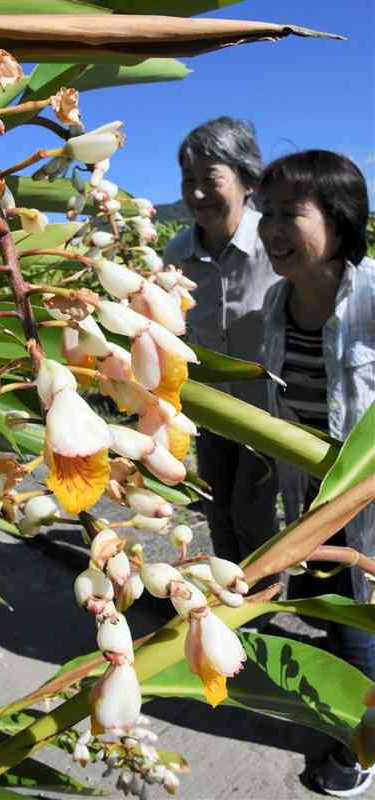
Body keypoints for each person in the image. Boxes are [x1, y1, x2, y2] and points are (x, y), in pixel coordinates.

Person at [259, 149, 375, 797]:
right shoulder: (278, 301)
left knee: (361, 629)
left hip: (368, 512)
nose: (272, 228)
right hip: (309, 507)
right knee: (337, 619)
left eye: (290, 214)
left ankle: (360, 748)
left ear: (339, 218)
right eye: (265, 212)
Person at [164, 116, 280, 573]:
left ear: (247, 179)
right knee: (217, 509)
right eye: (187, 180)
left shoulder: (276, 241)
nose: (196, 194)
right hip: (209, 409)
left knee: (254, 514)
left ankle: (260, 600)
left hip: (270, 413)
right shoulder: (178, 253)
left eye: (210, 178)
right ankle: (233, 604)